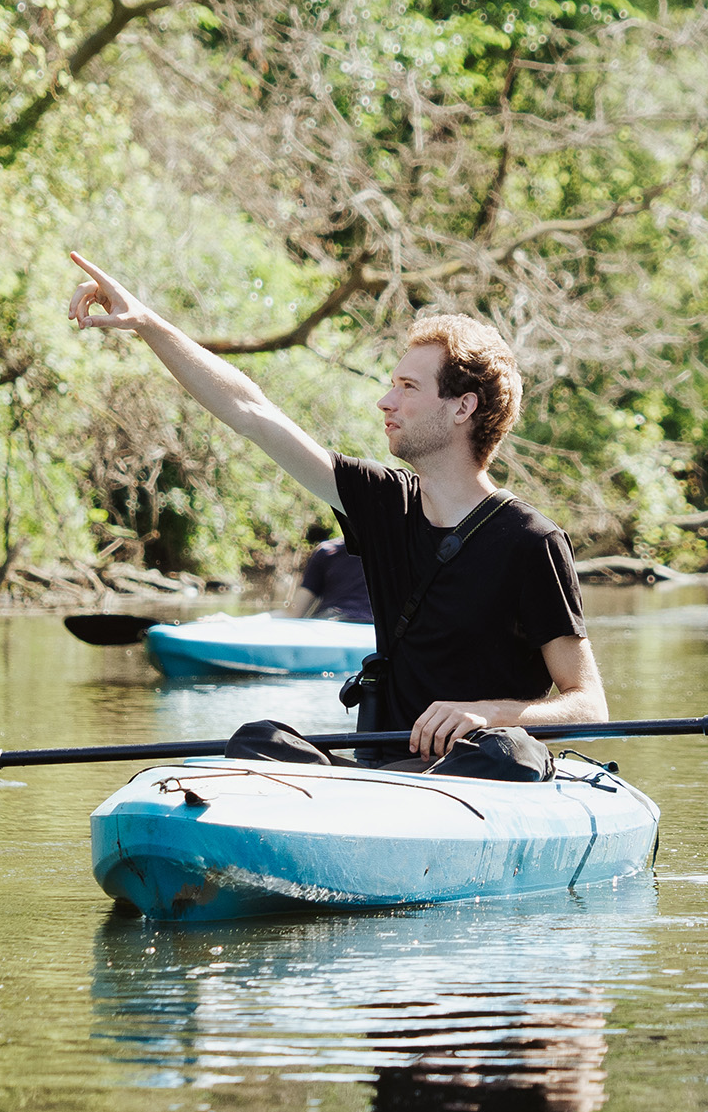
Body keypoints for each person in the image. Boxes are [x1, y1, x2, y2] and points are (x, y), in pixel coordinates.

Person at [66, 253, 607, 767]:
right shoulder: (381, 502)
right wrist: (147, 324)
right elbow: (252, 411)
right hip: (385, 771)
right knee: (259, 740)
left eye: (407, 387)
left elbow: (588, 707)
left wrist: (491, 716)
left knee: (500, 761)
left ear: (463, 406)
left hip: (485, 776)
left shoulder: (529, 540)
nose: (385, 402)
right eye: (391, 384)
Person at [286, 523, 373, 624]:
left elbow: (293, 612)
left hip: (376, 628)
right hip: (331, 624)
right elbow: (294, 611)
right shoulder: (326, 551)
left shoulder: (393, 553)